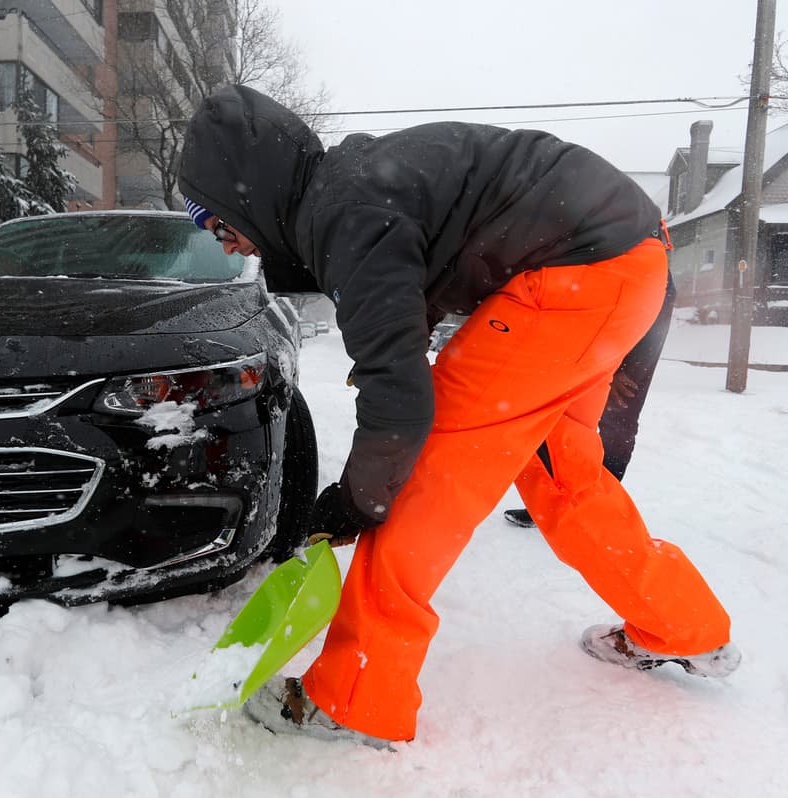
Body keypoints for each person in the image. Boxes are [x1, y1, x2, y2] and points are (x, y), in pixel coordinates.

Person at [178, 85, 739, 750]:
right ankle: (684, 628)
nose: (233, 249)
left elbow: (400, 407)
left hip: (576, 277)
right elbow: (416, 292)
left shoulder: (344, 212)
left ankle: (355, 696)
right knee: (563, 473)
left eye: (219, 227)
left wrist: (357, 499)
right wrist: (394, 366)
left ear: (249, 195)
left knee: (423, 479)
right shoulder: (354, 189)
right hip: (627, 266)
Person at [503, 273, 677, 528]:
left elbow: (653, 304)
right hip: (592, 303)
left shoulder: (640, 258)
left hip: (642, 303)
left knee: (618, 414)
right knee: (562, 413)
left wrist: (618, 365)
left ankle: (596, 509)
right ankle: (553, 501)